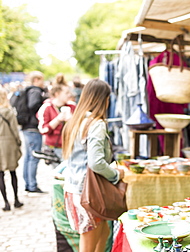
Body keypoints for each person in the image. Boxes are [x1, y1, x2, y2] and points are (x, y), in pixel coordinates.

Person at [62, 78, 124, 252]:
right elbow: (96, 162)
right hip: (87, 193)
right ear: (103, 99)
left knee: (103, 232)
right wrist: (116, 174)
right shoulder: (96, 124)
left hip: (75, 189)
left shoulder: (75, 122)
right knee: (89, 244)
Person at [37, 82, 76, 166]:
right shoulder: (46, 107)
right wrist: (58, 119)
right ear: (57, 94)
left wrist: (71, 119)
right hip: (54, 149)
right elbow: (43, 130)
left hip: (70, 147)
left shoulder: (72, 107)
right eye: (66, 93)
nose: (69, 95)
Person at [22, 71, 47, 193]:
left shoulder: (28, 90)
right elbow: (33, 105)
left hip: (26, 127)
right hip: (33, 128)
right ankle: (32, 185)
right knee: (33, 157)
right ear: (36, 80)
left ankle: (28, 183)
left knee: (28, 157)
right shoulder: (36, 91)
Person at [0, 87, 23, 211]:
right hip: (9, 144)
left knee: (0, 175)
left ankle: (5, 203)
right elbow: (15, 129)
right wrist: (18, 142)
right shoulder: (9, 112)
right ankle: (16, 199)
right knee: (13, 172)